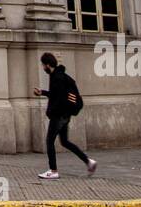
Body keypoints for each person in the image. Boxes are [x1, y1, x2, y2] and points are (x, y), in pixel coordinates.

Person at [33, 51, 97, 179]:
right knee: (65, 141)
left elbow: (60, 98)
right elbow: (56, 94)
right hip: (65, 115)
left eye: (43, 65)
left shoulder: (57, 77)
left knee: (49, 141)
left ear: (47, 65)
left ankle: (53, 170)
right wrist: (43, 92)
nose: (42, 67)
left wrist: (51, 112)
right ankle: (89, 162)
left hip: (59, 116)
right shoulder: (58, 75)